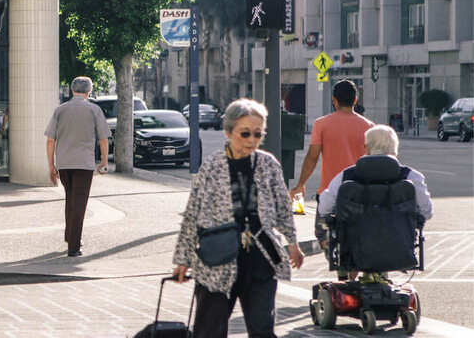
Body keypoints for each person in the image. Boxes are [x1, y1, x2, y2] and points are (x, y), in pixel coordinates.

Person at [171, 98, 304, 338]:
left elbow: (283, 207)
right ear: (229, 132)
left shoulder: (268, 164)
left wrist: (293, 243)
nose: (252, 140)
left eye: (257, 134)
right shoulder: (211, 167)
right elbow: (192, 214)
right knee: (209, 332)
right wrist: (183, 259)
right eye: (245, 134)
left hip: (260, 257)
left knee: (262, 330)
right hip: (217, 259)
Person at [290, 79, 375, 248]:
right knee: (356, 236)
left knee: (322, 232)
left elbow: (312, 157)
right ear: (355, 100)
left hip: (329, 195)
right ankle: (352, 270)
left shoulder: (321, 124)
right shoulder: (369, 127)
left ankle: (332, 254)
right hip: (359, 194)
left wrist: (300, 185)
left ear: (334, 100)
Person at [44, 76, 110, 257]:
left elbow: (50, 140)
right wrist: (104, 162)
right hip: (84, 163)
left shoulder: (60, 110)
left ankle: (70, 237)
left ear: (72, 90)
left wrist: (51, 165)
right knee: (79, 203)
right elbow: (103, 139)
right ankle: (74, 246)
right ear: (89, 92)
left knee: (71, 200)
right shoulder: (94, 110)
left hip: (64, 163)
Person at [318, 124, 432, 220]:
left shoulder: (345, 176)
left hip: (353, 243)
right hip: (399, 242)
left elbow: (323, 208)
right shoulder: (411, 177)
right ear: (395, 149)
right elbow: (427, 212)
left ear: (366, 148)